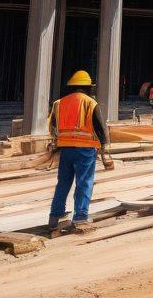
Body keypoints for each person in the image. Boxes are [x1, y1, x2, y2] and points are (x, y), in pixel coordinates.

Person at [47, 70, 110, 233]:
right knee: (84, 182)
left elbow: (52, 126)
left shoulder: (59, 103)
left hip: (66, 148)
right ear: (87, 87)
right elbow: (101, 128)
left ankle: (55, 216)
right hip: (86, 149)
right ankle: (80, 217)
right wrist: (104, 147)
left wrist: (57, 143)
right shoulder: (90, 103)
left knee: (63, 182)